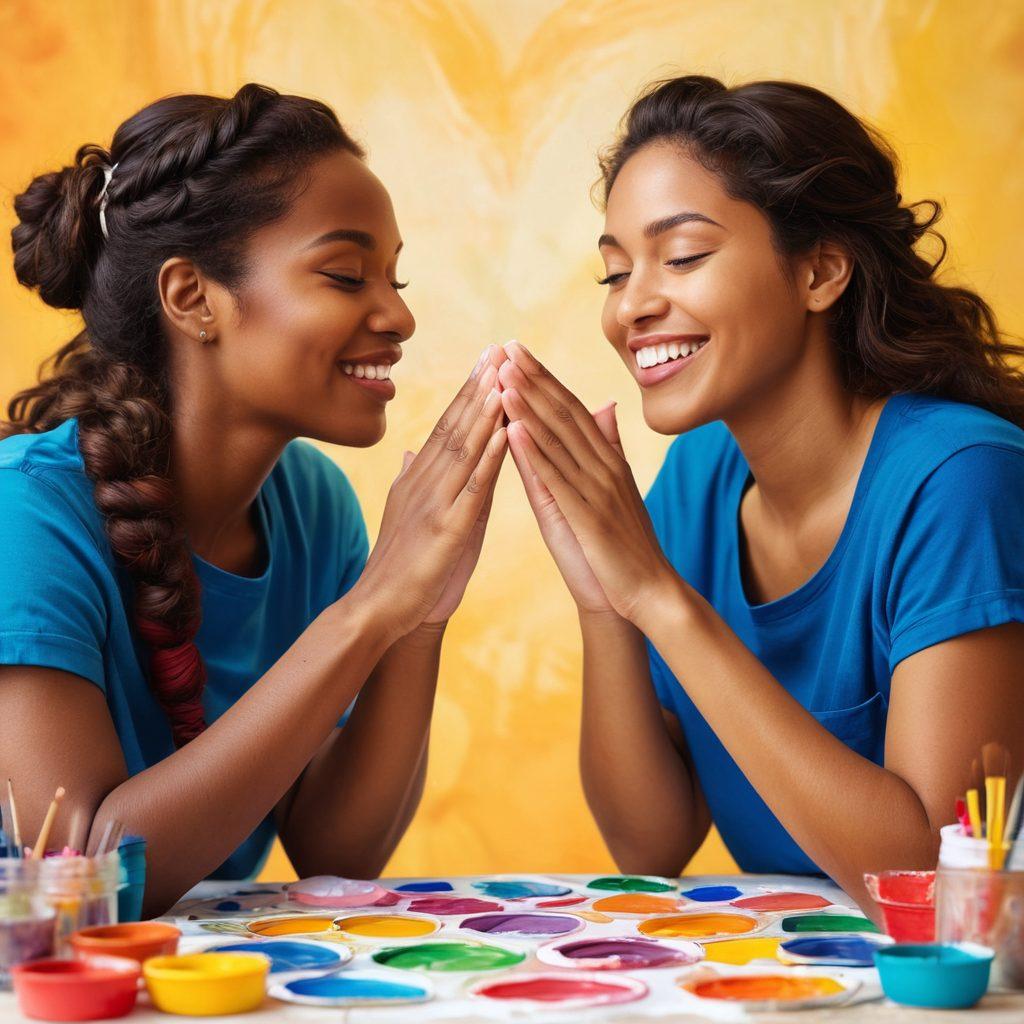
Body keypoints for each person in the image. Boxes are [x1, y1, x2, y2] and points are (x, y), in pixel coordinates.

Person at [499, 76, 1024, 909]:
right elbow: (649, 842)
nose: (632, 304)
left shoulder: (960, 480)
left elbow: (927, 885)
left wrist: (659, 597)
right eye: (615, 272)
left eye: (683, 257)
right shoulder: (700, 478)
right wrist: (607, 600)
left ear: (820, 271)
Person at [0, 83, 508, 916]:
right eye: (346, 275)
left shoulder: (312, 507)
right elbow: (78, 881)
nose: (400, 316)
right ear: (193, 298)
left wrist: (418, 614)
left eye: (394, 275)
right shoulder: (27, 516)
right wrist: (373, 605)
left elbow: (335, 848)